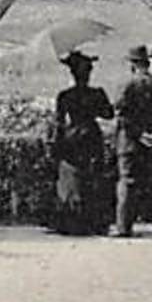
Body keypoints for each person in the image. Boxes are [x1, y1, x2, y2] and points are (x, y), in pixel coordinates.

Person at [51, 50, 115, 235]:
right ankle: (94, 220)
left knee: (72, 179)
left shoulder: (65, 96)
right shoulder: (97, 93)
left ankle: (71, 220)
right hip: (91, 134)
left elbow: (59, 122)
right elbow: (108, 114)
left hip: (72, 136)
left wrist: (57, 144)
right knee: (94, 176)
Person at [110, 44, 152, 237]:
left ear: (132, 64)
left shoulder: (126, 85)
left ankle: (124, 226)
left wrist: (139, 134)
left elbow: (121, 115)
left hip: (130, 142)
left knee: (127, 182)